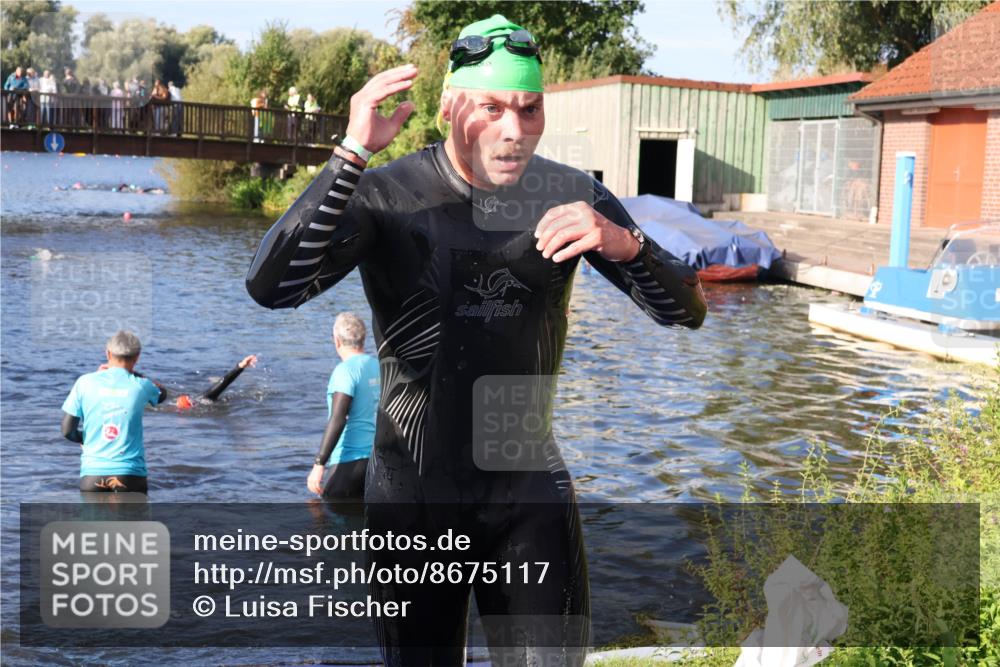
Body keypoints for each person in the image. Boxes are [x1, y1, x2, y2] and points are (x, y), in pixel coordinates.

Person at [246, 14, 706, 666]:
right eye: (491, 108)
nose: (514, 129)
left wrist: (625, 244)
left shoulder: (570, 194)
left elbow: (687, 311)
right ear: (448, 109)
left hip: (527, 495)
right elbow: (271, 286)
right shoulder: (387, 195)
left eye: (529, 108)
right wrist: (350, 153)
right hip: (413, 496)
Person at [60, 331, 167, 494]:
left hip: (92, 475)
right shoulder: (141, 385)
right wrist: (136, 375)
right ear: (137, 357)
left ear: (108, 353)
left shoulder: (84, 382)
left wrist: (87, 438)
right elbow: (161, 394)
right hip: (130, 475)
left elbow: (67, 431)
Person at [306, 314, 380, 500]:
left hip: (349, 462)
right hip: (378, 461)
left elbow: (338, 418)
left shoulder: (344, 371)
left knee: (324, 512)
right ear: (363, 339)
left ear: (337, 340)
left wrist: (319, 464)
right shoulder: (379, 366)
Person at [173, 354, 258, 410]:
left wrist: (240, 366)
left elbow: (223, 382)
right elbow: (224, 383)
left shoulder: (204, 398)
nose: (192, 399)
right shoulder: (203, 400)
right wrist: (240, 366)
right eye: (191, 400)